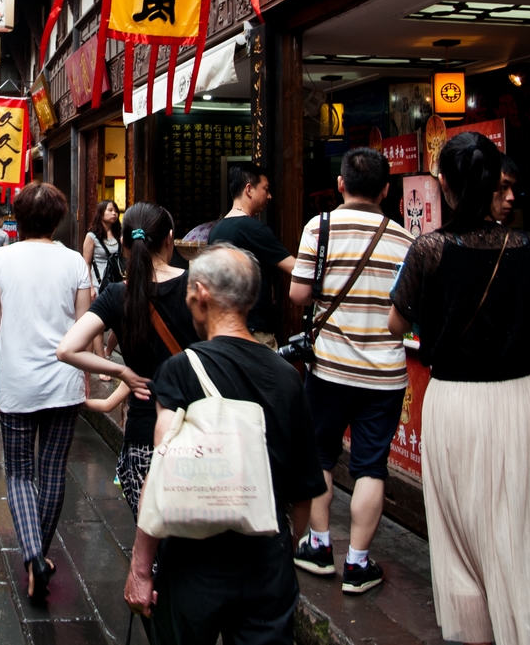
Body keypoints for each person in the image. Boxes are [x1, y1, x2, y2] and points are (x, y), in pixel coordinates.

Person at [388, 133, 530, 645]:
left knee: (458, 533)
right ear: (495, 183)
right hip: (521, 399)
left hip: (456, 400)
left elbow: (394, 323)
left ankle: (474, 633)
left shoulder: (429, 249)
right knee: (523, 528)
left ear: (445, 186)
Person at [124, 244, 327, 644]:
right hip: (266, 562)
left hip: (192, 560)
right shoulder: (287, 377)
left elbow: (159, 474)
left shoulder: (181, 370)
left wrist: (141, 568)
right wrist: (280, 542)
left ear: (201, 294)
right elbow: (305, 491)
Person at [287, 147, 415, 593]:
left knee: (321, 456)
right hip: (385, 374)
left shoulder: (318, 228)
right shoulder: (405, 240)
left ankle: (319, 547)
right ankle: (358, 563)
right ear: (386, 190)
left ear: (340, 184)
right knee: (370, 466)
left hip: (328, 368)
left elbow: (299, 295)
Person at [0, 182, 94, 603]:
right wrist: (84, 375)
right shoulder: (74, 263)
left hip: (17, 378)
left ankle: (31, 554)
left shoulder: (0, 259)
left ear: (19, 216)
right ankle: (39, 556)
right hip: (64, 378)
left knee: (19, 472)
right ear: (59, 218)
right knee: (52, 470)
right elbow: (84, 325)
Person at [57, 202, 200, 516]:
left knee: (152, 537)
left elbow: (67, 350)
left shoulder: (117, 295)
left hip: (142, 435)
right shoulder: (198, 287)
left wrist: (123, 370)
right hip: (199, 432)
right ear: (170, 239)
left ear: (123, 245)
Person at [209, 161, 295, 346]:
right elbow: (295, 268)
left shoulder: (217, 230)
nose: (269, 196)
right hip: (255, 332)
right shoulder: (255, 230)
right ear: (249, 189)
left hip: (224, 329)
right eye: (265, 189)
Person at [82, 199, 125, 293]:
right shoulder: (91, 236)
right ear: (101, 213)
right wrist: (91, 287)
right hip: (99, 283)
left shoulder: (119, 235)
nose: (114, 213)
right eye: (110, 210)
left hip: (118, 282)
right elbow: (86, 263)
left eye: (116, 211)